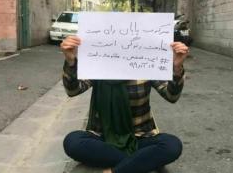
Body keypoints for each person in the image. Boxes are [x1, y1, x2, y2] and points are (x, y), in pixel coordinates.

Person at [61, 35, 189, 173]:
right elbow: (73, 91)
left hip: (140, 137)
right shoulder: (98, 65)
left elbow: (171, 96)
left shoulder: (147, 65)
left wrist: (177, 68)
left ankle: (118, 170)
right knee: (72, 142)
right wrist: (70, 60)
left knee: (172, 145)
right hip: (103, 137)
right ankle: (141, 163)